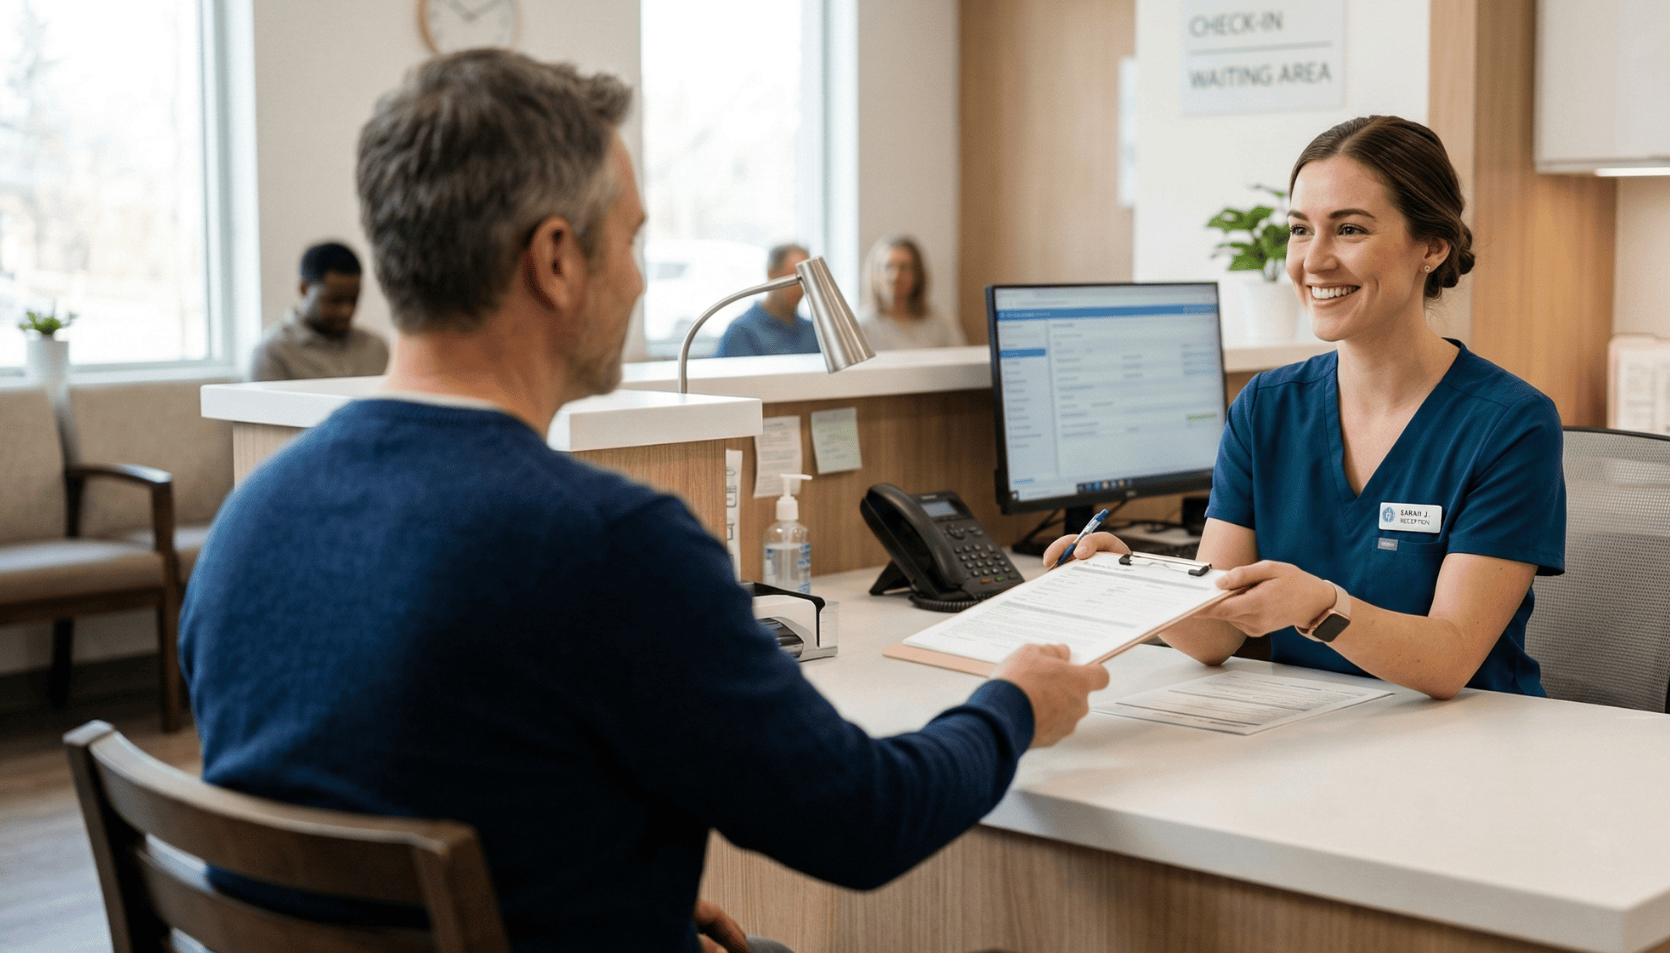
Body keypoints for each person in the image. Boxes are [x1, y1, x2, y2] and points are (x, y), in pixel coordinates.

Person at [180, 49, 1109, 953]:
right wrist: (1013, 704)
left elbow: (383, 797)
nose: (634, 276)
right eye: (630, 238)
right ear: (555, 258)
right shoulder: (605, 544)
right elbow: (861, 822)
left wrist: (613, 898)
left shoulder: (250, 520)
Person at [1047, 115, 1566, 700]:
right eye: (1300, 230)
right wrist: (1124, 578)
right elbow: (1218, 633)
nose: (1312, 261)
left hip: (1471, 742)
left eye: (1348, 230)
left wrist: (1323, 605)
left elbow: (1450, 658)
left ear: (1432, 246)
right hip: (1310, 729)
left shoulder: (1510, 423)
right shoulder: (1265, 409)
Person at [248, 241, 390, 381]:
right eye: (335, 300)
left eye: (353, 300)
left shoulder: (376, 348)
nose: (346, 311)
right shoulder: (273, 354)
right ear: (304, 289)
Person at [857, 236, 963, 351]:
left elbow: (961, 364)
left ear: (917, 274)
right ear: (874, 274)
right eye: (888, 267)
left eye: (904, 268)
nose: (895, 276)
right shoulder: (860, 327)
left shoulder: (940, 325)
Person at [713, 243, 819, 357]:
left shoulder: (813, 332)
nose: (799, 287)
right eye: (793, 277)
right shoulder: (742, 332)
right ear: (772, 274)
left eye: (804, 279)